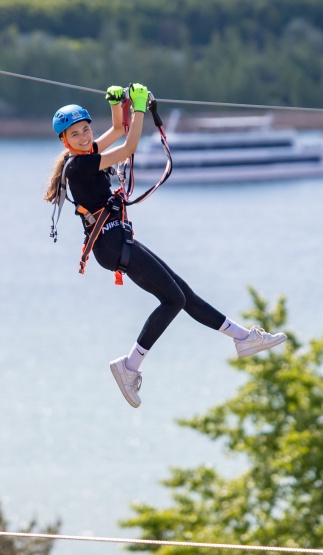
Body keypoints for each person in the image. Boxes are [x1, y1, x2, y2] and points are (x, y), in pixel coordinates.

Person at [44, 83, 287, 408]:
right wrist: (138, 106)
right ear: (65, 141)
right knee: (173, 299)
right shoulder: (80, 165)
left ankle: (244, 339)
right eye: (75, 134)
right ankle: (129, 366)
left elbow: (118, 130)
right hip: (111, 244)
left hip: (117, 240)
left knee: (183, 293)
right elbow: (130, 146)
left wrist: (117, 103)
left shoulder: (87, 155)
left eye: (86, 129)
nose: (85, 137)